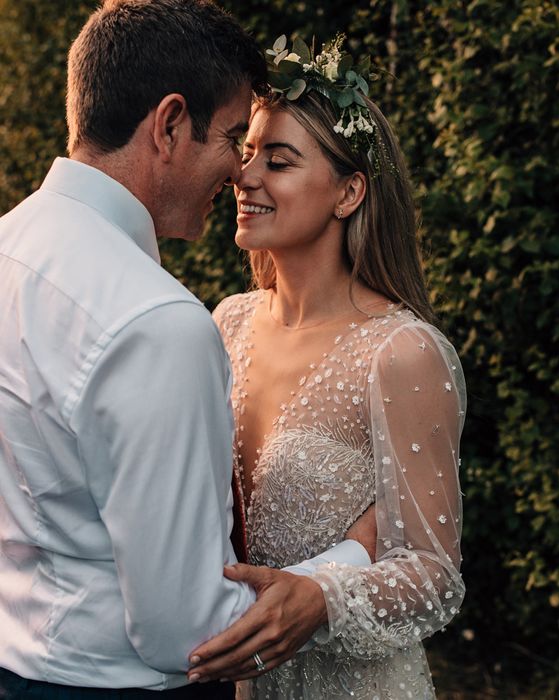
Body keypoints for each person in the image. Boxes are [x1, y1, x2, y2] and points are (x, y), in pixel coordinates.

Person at [0, 5, 372, 699]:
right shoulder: (155, 321)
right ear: (169, 125)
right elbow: (191, 634)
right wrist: (348, 565)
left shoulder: (8, 248)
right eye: (234, 137)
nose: (239, 171)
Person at [187, 34, 467, 699]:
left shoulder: (401, 352)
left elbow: (434, 573)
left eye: (278, 161)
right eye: (246, 153)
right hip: (231, 680)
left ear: (349, 192)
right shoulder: (226, 321)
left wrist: (321, 598)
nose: (245, 177)